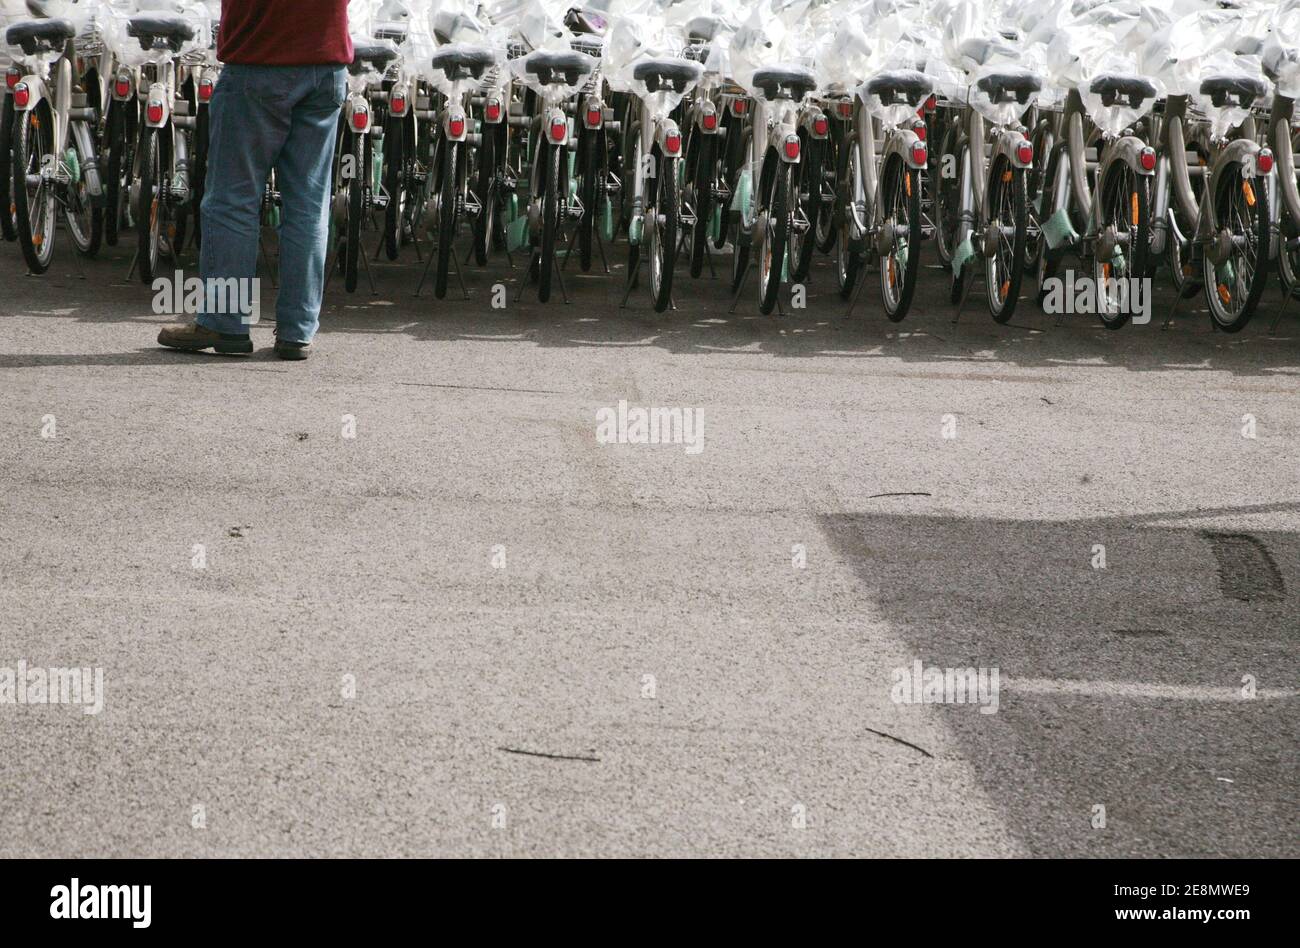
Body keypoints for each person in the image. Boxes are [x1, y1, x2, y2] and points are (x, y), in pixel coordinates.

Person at [157, 0, 353, 360]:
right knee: (308, 205)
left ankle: (225, 321)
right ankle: (297, 332)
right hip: (325, 65)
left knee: (233, 201)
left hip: (258, 61)